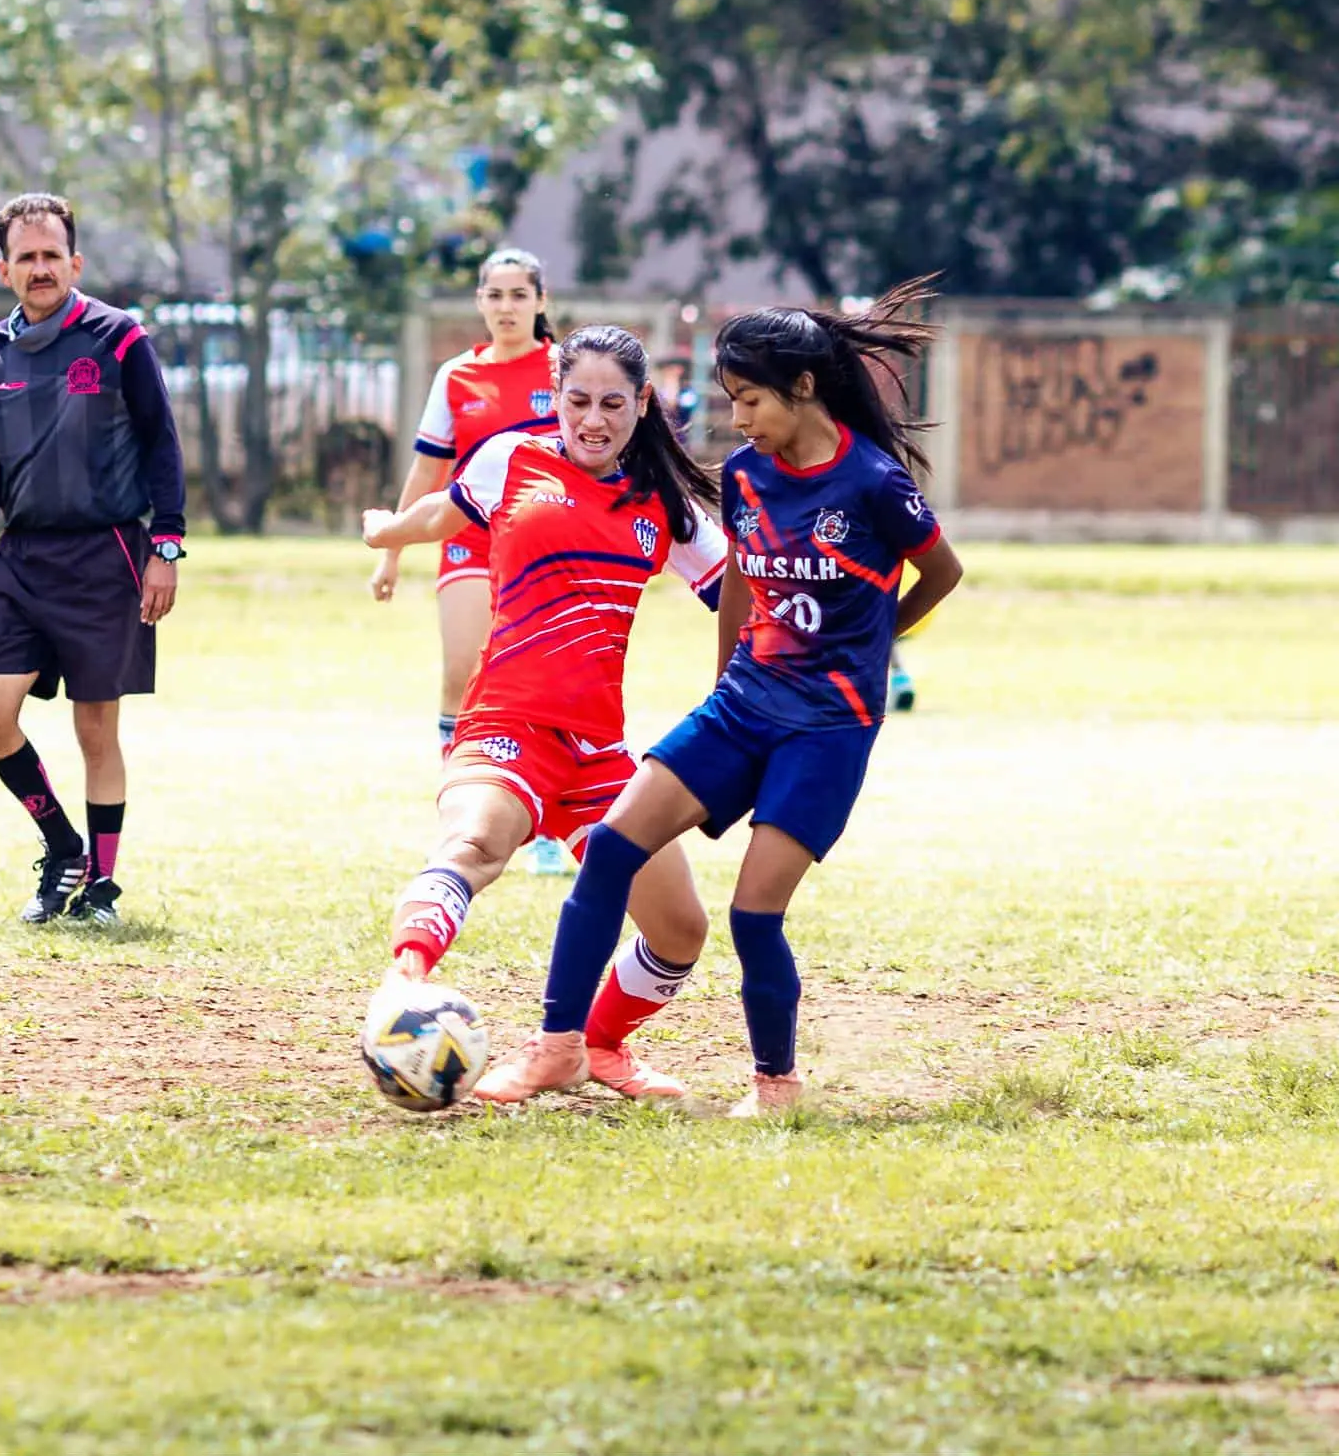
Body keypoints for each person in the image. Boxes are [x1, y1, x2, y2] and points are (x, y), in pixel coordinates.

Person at [479, 282, 966, 1116]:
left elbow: (943, 572)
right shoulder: (744, 474)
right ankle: (558, 1046)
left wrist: (878, 644)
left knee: (751, 913)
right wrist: (722, 681)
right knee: (609, 849)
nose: (736, 420)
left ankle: (774, 1084)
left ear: (802, 388)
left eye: (747, 400)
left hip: (826, 727)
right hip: (742, 707)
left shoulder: (872, 481)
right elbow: (738, 572)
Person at [361, 325, 729, 1100]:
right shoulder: (508, 458)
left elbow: (739, 591)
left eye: (611, 404)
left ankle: (590, 1046)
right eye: (577, 400)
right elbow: (441, 518)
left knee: (680, 929)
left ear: (641, 405)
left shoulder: (661, 501)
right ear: (555, 397)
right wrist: (386, 532)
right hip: (505, 724)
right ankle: (401, 986)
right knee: (475, 840)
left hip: (597, 751)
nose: (592, 419)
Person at [0, 193, 185, 927]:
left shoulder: (119, 338)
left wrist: (165, 544)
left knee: (96, 730)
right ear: (4, 268)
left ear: (75, 261)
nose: (39, 268)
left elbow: (162, 442)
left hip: (108, 555)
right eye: (25, 257)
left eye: (51, 255)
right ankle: (60, 843)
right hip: (24, 561)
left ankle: (99, 885)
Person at [370, 248, 563, 752]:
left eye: (519, 295)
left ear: (541, 301)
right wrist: (393, 552)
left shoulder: (565, 370)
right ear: (480, 302)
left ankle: (540, 815)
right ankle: (458, 792)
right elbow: (428, 470)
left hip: (548, 547)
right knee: (462, 669)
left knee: (538, 679)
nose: (507, 307)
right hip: (469, 541)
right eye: (495, 295)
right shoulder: (456, 376)